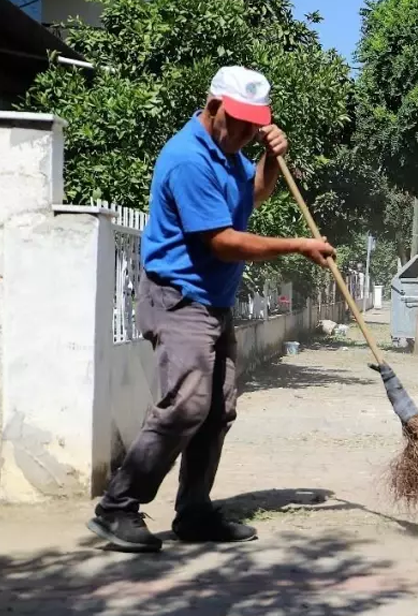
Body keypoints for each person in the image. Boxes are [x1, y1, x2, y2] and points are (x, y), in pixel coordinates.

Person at [87, 66, 336, 553]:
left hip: (214, 301)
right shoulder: (188, 159)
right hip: (179, 298)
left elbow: (255, 194)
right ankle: (117, 508)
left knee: (218, 409)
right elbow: (221, 242)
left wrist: (267, 158)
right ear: (214, 106)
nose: (245, 132)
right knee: (188, 404)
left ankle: (194, 512)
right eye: (239, 123)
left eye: (254, 126)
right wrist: (296, 245)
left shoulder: (230, 153)